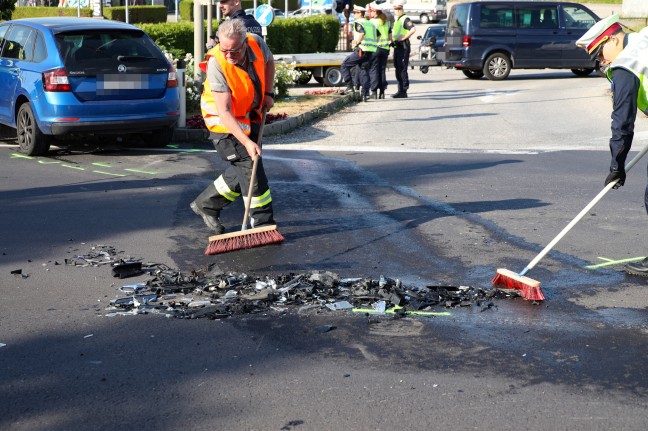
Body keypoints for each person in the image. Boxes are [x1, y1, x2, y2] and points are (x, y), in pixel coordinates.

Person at [575, 14, 648, 276]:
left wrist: (617, 165)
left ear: (614, 38)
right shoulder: (643, 39)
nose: (602, 62)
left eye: (600, 52)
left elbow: (622, 124)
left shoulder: (626, 64)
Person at [191, 19, 277, 234]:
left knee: (243, 169)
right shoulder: (216, 63)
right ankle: (263, 225)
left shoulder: (256, 42)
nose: (229, 55)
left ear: (245, 43)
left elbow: (269, 62)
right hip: (224, 126)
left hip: (249, 117)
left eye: (234, 51)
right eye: (224, 49)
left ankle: (207, 204)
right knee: (252, 170)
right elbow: (225, 112)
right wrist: (247, 142)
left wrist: (268, 93)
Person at [340, 5, 378, 102]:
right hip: (370, 51)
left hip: (362, 50)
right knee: (364, 70)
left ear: (360, 13)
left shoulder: (358, 22)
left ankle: (349, 87)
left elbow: (362, 33)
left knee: (344, 65)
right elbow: (377, 35)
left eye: (355, 13)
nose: (353, 15)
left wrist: (356, 42)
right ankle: (364, 95)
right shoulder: (370, 23)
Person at [391, 0, 415, 98]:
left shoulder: (405, 18)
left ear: (402, 9)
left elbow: (413, 29)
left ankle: (403, 91)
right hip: (398, 47)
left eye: (399, 9)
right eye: (396, 9)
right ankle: (400, 90)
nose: (397, 11)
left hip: (403, 47)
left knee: (402, 69)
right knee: (398, 68)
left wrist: (403, 38)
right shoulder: (398, 19)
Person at [368, 2, 392, 99]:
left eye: (371, 11)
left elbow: (371, 36)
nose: (370, 13)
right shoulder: (387, 22)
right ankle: (382, 92)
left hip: (375, 49)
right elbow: (390, 37)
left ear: (375, 12)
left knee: (374, 70)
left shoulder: (372, 22)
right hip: (385, 49)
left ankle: (374, 92)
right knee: (382, 70)